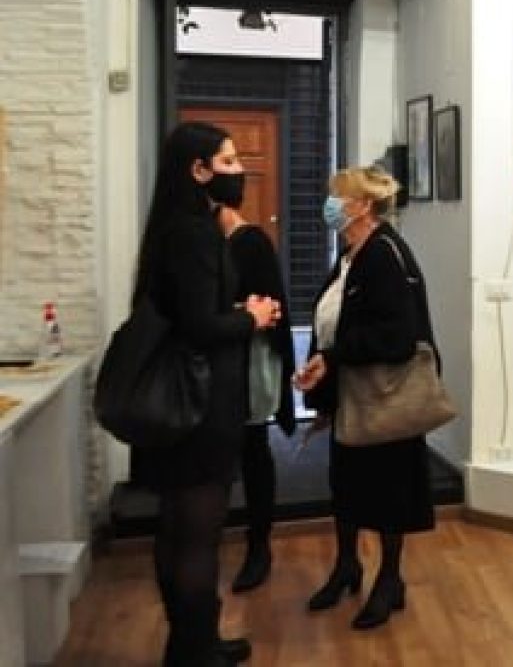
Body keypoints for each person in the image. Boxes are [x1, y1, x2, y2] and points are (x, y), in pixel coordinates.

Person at [129, 122, 281, 666]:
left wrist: (233, 313)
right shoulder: (194, 234)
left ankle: (189, 644)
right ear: (198, 170)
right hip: (198, 405)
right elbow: (199, 326)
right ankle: (195, 651)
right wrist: (251, 317)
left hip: (177, 401)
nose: (240, 172)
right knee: (195, 534)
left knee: (177, 528)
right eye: (229, 161)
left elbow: (185, 314)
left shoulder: (170, 227)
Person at [295, 166, 440, 631]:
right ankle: (347, 567)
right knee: (348, 485)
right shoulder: (350, 254)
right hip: (352, 396)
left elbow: (396, 335)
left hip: (385, 397)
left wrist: (333, 357)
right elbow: (335, 320)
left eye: (337, 197)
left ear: (361, 206)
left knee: (388, 490)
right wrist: (321, 365)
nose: (330, 205)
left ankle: (390, 579)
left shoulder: (383, 254)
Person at [215, 194, 297, 593]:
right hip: (216, 366)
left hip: (247, 366)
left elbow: (271, 309)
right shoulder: (206, 245)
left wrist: (238, 312)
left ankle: (258, 545)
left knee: (253, 452)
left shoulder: (251, 243)